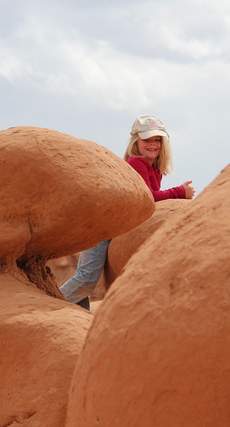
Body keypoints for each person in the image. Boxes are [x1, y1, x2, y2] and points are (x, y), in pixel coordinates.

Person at [59, 115, 195, 310]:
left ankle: (70, 313)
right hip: (104, 228)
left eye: (157, 140)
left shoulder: (153, 167)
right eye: (147, 139)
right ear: (136, 141)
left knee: (86, 282)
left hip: (115, 228)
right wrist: (180, 192)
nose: (153, 144)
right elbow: (148, 197)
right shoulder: (137, 162)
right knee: (87, 278)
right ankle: (53, 305)